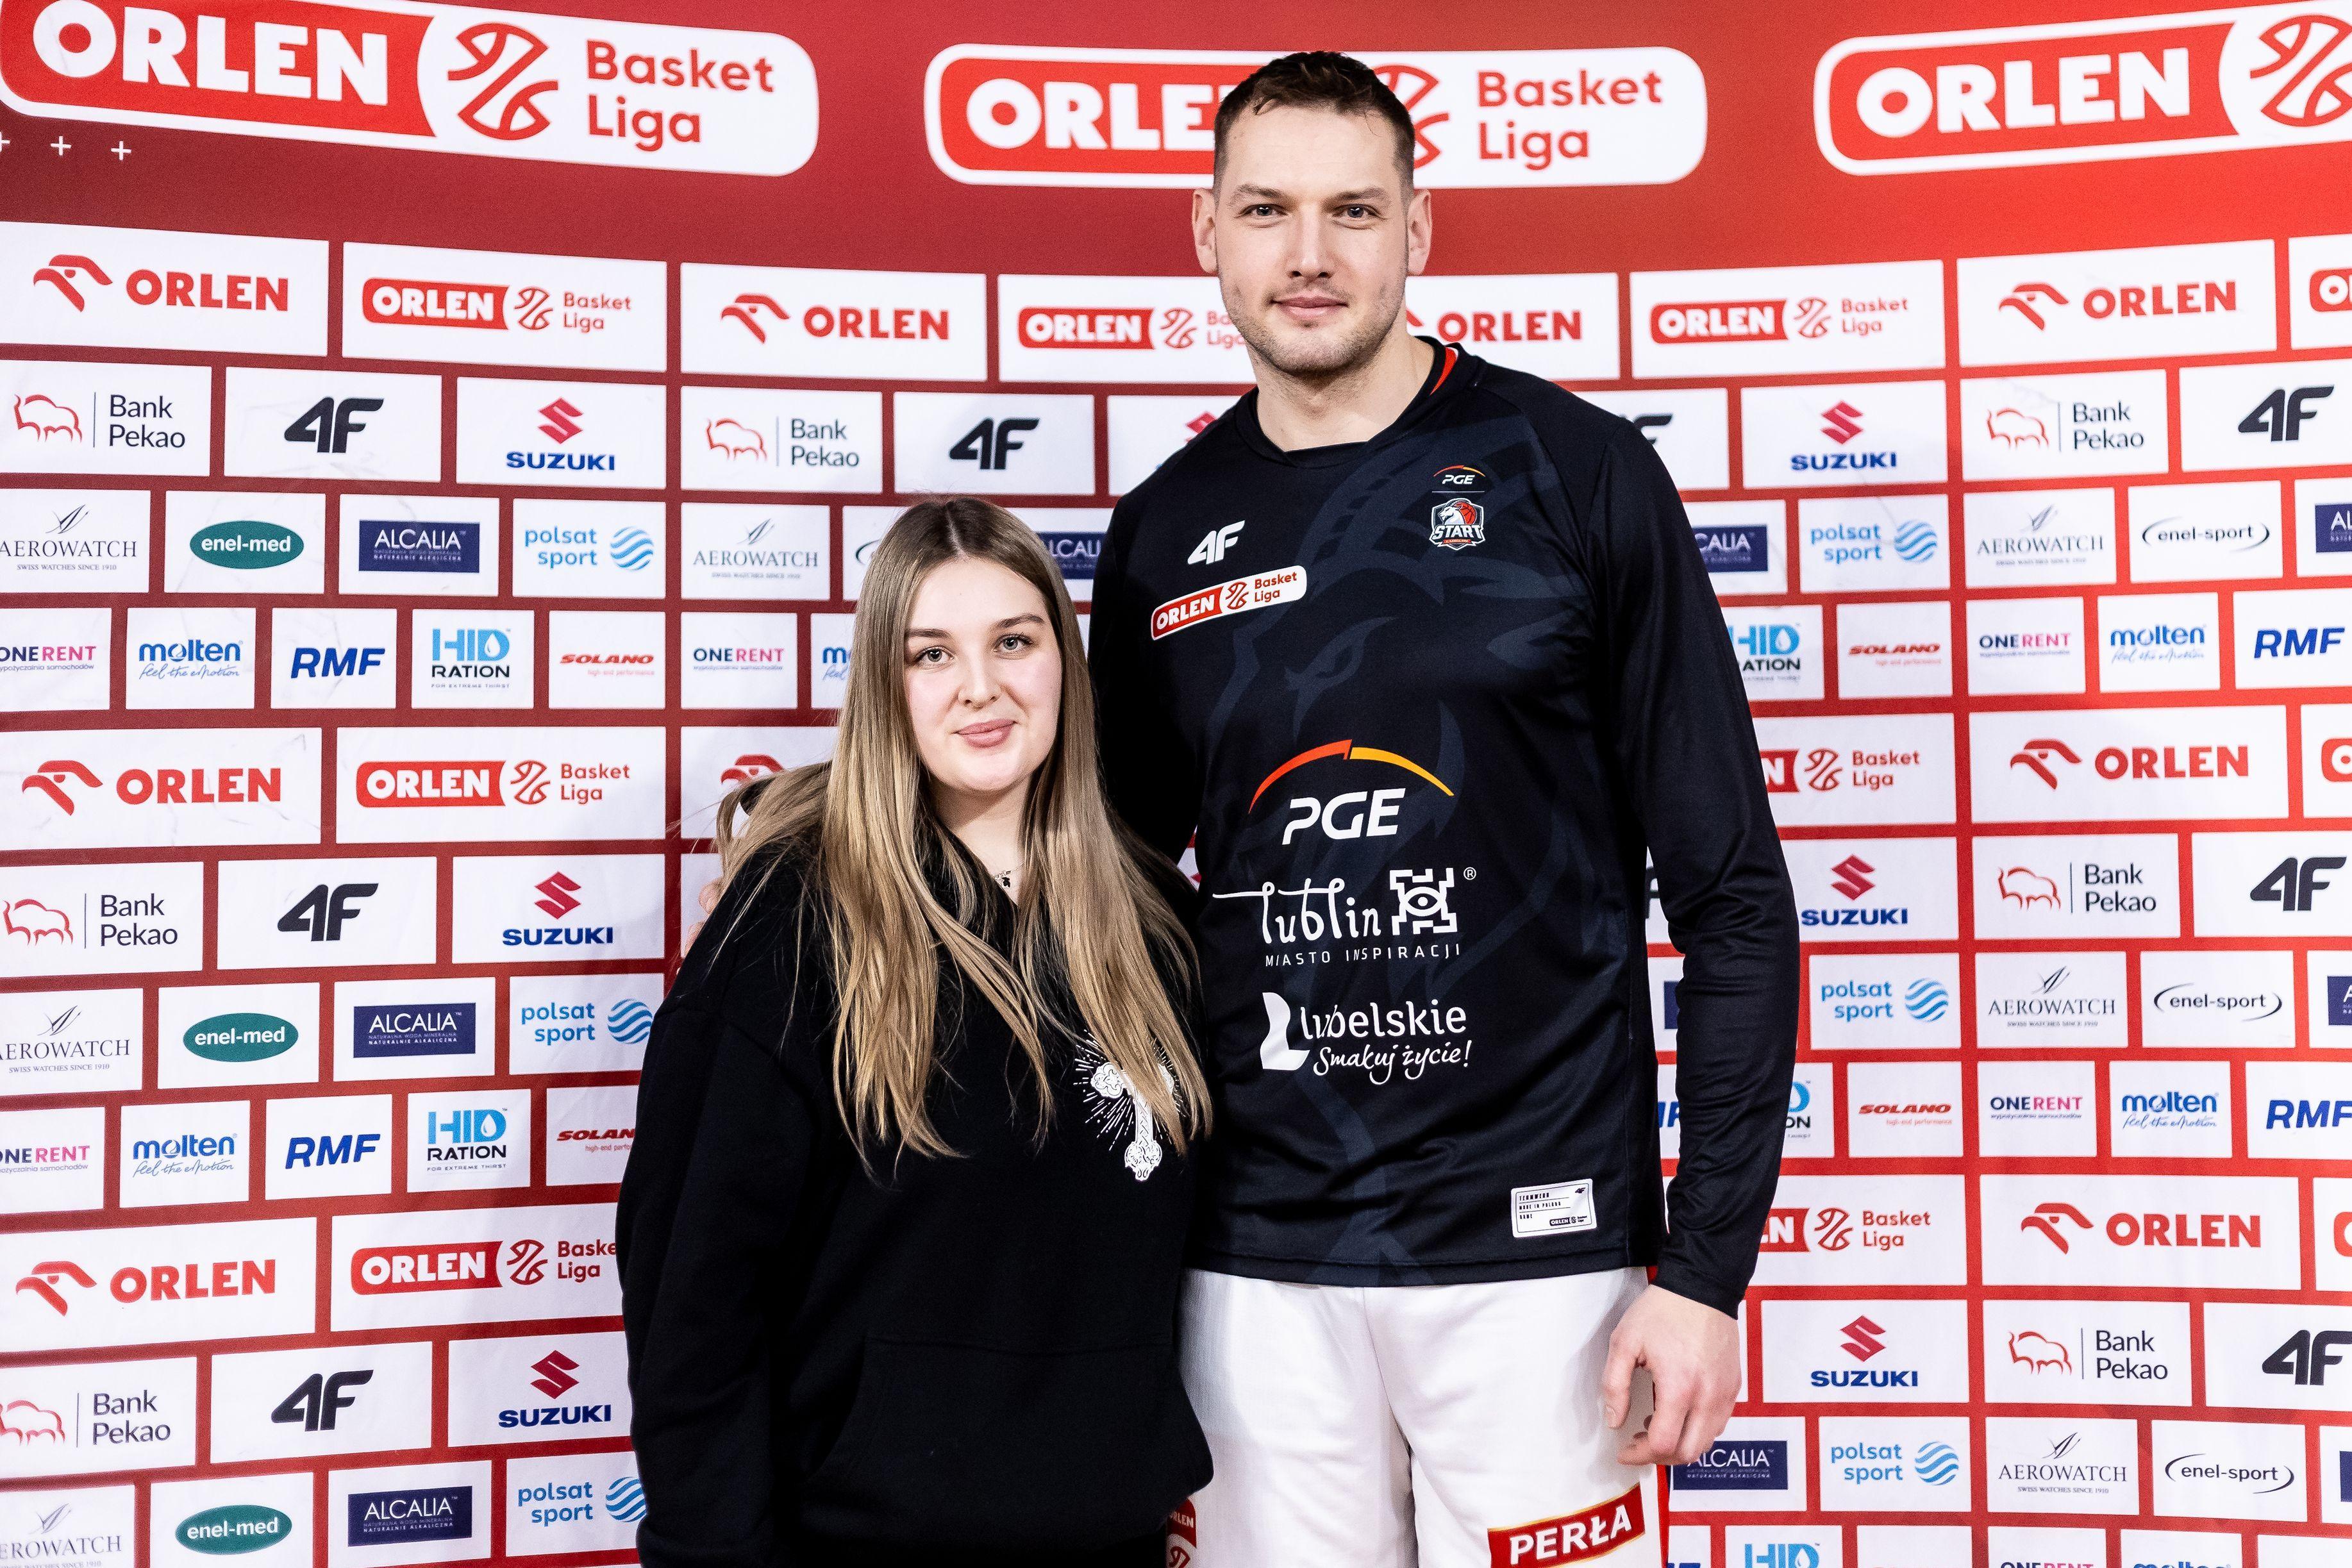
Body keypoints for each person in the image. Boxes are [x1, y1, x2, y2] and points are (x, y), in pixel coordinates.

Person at [1086, 53, 1800, 1568]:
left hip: (1540, 1257)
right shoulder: (1159, 532)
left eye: (1352, 210)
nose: (1308, 254)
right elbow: (1106, 898)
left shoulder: (1574, 473)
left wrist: (1705, 1269)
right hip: (1254, 1266)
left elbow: (1731, 893)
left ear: (1417, 228)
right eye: (1265, 210)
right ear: (1203, 230)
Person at [619, 497, 1214, 1568]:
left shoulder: (1155, 923)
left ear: (1065, 665)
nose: (979, 685)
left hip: (1112, 1538)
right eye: (930, 653)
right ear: (884, 688)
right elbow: (694, 1296)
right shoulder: (793, 922)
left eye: (1013, 641)